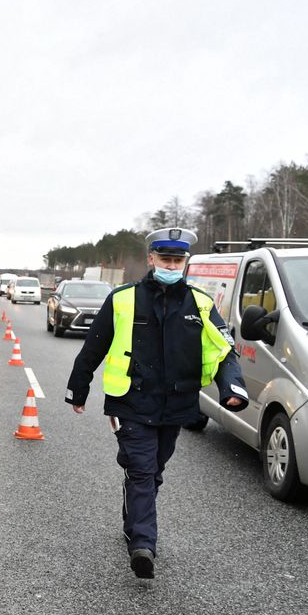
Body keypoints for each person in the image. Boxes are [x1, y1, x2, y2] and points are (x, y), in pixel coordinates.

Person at [65, 228, 249, 579]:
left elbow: (223, 351)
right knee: (142, 469)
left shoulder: (201, 304)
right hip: (130, 401)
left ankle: (133, 518)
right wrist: (78, 388)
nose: (171, 264)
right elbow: (95, 345)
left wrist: (233, 388)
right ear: (151, 259)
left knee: (154, 471)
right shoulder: (122, 299)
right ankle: (143, 544)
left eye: (177, 260)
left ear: (185, 263)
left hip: (176, 405)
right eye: (165, 258)